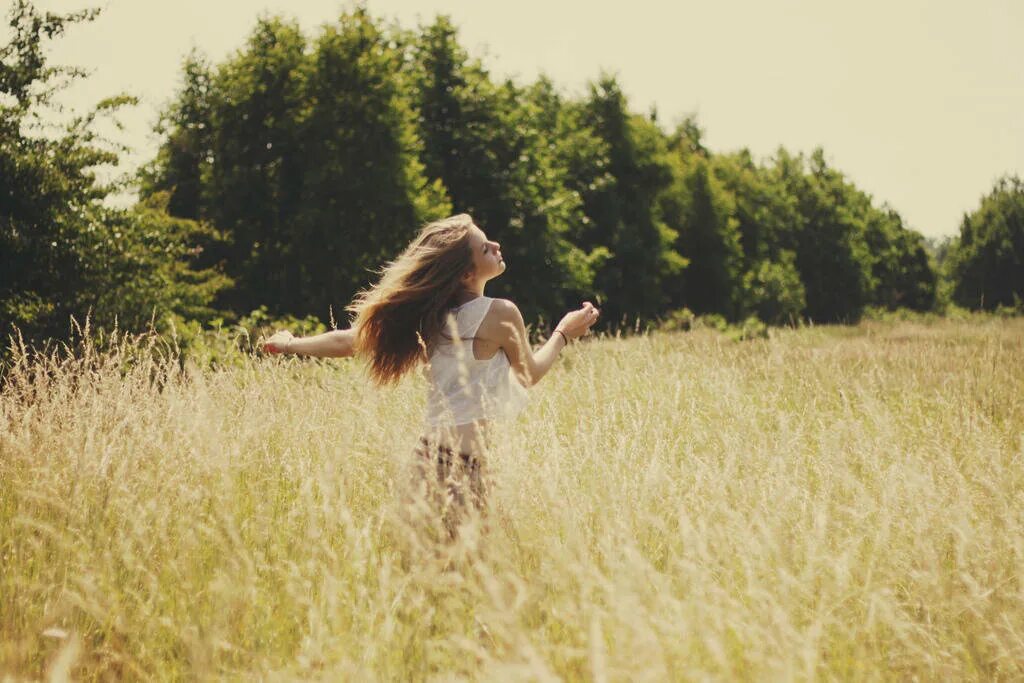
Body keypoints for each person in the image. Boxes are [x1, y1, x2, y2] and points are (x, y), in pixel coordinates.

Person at [259, 213, 600, 532]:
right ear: (467, 273)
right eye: (485, 247)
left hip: (426, 463)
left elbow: (348, 341)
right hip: (463, 469)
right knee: (468, 581)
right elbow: (530, 374)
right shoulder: (501, 313)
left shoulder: (430, 317)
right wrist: (563, 333)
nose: (497, 246)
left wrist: (290, 344)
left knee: (437, 578)